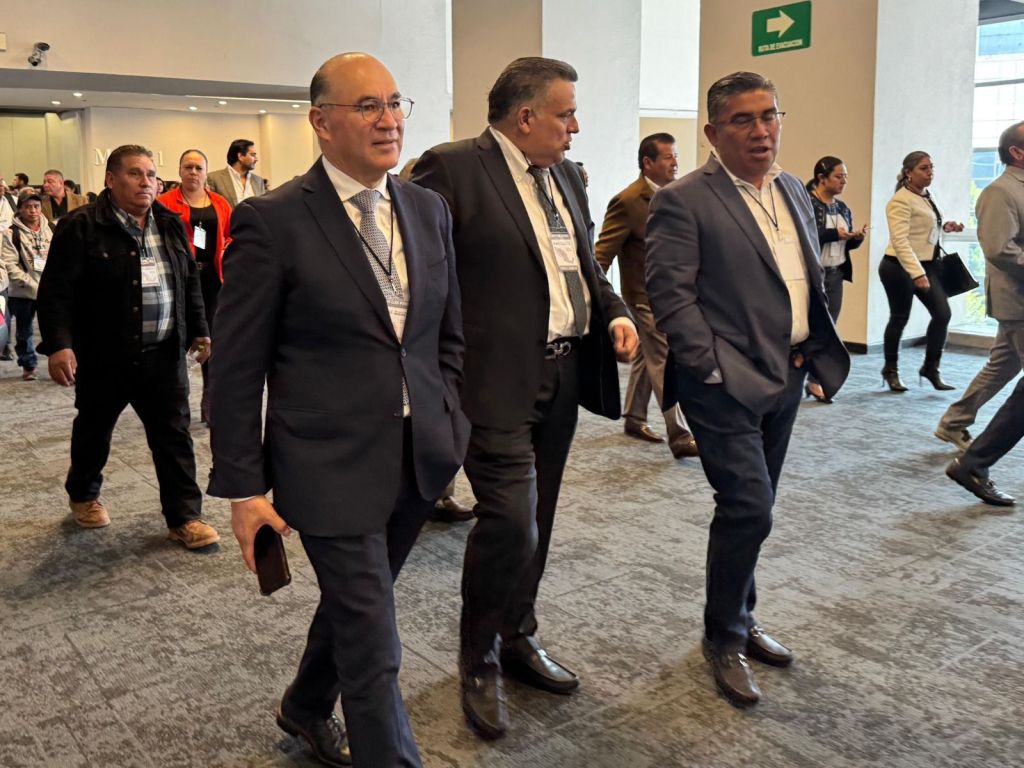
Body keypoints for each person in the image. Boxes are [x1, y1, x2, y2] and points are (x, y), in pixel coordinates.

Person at [207, 53, 469, 768]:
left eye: (395, 103)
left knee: (360, 605)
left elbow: (445, 335)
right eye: (367, 106)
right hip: (325, 467)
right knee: (375, 642)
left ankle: (303, 705)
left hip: (419, 457)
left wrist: (449, 415)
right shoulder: (274, 220)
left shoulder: (427, 210)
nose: (389, 121)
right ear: (321, 122)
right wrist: (243, 488)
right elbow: (237, 366)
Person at [413, 56, 638, 739]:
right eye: (567, 114)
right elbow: (417, 274)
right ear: (526, 116)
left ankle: (517, 635)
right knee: (511, 520)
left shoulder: (564, 174)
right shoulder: (452, 168)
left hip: (562, 374)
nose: (576, 127)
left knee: (540, 514)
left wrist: (614, 310)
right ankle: (478, 656)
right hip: (489, 380)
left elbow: (583, 263)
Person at [646, 71, 850, 707]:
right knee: (749, 506)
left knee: (754, 508)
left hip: (787, 372)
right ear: (713, 132)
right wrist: (711, 368)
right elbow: (671, 296)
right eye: (743, 119)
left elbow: (803, 277)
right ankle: (724, 637)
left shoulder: (791, 188)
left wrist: (809, 349)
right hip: (723, 383)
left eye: (770, 116)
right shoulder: (683, 199)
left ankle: (739, 613)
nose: (761, 130)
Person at [35, 145, 218, 549]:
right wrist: (60, 345)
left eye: (151, 175)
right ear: (110, 179)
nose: (146, 182)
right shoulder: (81, 226)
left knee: (174, 437)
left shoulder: (170, 223)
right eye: (135, 174)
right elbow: (56, 292)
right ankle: (84, 494)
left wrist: (200, 329)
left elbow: (189, 281)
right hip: (104, 355)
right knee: (94, 429)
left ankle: (185, 517)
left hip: (164, 355)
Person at [595, 132, 698, 458]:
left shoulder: (675, 195)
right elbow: (601, 254)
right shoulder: (627, 201)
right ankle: (680, 433)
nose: (675, 163)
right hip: (644, 297)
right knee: (664, 359)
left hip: (674, 295)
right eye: (668, 157)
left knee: (646, 356)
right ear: (647, 162)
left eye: (675, 156)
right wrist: (600, 301)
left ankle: (634, 417)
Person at [936, 122, 1024, 452]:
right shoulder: (1000, 192)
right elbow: (1000, 249)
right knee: (1004, 367)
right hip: (1017, 299)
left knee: (1002, 366)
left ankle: (953, 423)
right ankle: (979, 459)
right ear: (1016, 152)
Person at [878, 151, 965, 392]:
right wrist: (917, 273)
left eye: (931, 167)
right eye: (924, 168)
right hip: (898, 267)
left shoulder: (927, 195)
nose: (930, 173)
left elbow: (926, 227)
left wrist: (947, 226)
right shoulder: (899, 201)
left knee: (942, 314)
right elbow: (900, 241)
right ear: (908, 172)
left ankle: (930, 368)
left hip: (928, 264)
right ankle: (890, 369)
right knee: (899, 318)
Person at [157, 149, 233, 424]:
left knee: (213, 339)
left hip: (212, 280)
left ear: (206, 172)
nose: (193, 172)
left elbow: (231, 236)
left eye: (198, 168)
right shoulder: (164, 203)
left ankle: (210, 399)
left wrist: (228, 252)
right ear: (179, 171)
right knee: (179, 339)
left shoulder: (219, 203)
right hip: (178, 280)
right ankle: (176, 401)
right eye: (188, 167)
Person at [804, 156, 866, 402]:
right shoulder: (807, 203)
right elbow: (805, 236)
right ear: (822, 178)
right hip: (811, 275)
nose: (844, 182)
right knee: (806, 327)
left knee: (829, 329)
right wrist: (833, 234)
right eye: (839, 177)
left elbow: (845, 244)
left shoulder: (842, 208)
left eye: (846, 177)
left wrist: (855, 238)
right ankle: (797, 375)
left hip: (836, 273)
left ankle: (815, 380)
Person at [0, 191, 54, 379]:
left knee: (55, 329)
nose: (33, 211)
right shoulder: (10, 234)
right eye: (28, 207)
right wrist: (31, 284)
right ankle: (28, 365)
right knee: (25, 331)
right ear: (20, 209)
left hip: (49, 290)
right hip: (22, 292)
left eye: (36, 206)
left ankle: (59, 363)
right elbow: (10, 264)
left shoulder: (51, 229)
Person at [206, 139, 266, 206]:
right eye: (252, 155)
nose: (256, 159)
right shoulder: (214, 178)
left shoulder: (259, 181)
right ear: (240, 156)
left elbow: (263, 207)